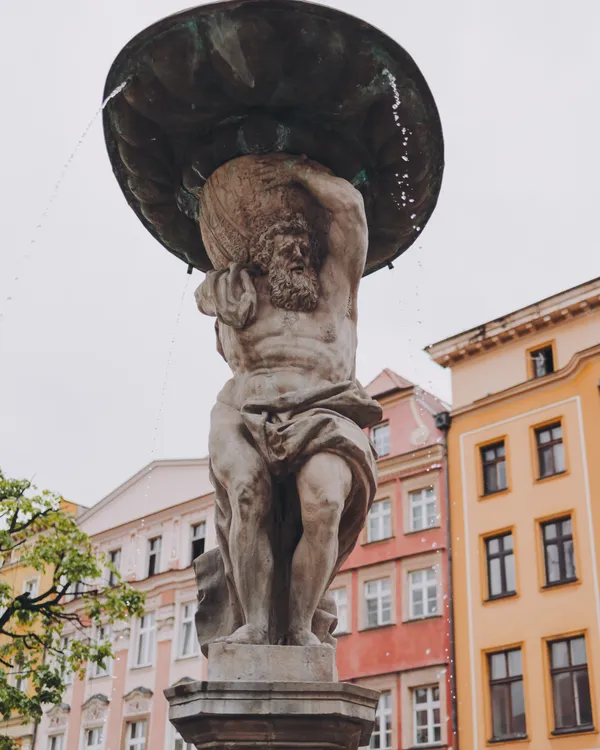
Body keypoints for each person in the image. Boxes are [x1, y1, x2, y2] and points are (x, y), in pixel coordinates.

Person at [195, 154, 381, 646]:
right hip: (242, 412)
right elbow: (205, 295)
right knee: (248, 494)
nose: (298, 252)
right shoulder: (241, 295)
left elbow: (350, 210)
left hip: (326, 414)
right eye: (285, 244)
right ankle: (254, 625)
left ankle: (300, 629)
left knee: (324, 499)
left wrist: (296, 171)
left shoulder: (337, 290)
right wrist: (214, 293)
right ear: (262, 253)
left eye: (305, 243)